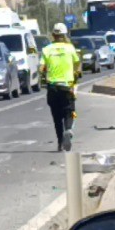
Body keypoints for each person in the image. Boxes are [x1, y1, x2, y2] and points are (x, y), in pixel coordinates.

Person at [42, 22, 83, 151]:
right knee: (71, 113)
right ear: (65, 35)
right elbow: (77, 63)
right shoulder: (70, 48)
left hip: (53, 88)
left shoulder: (46, 49)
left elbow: (41, 68)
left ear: (53, 35)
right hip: (67, 87)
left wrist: (45, 76)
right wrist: (76, 74)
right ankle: (69, 130)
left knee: (56, 117)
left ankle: (60, 142)